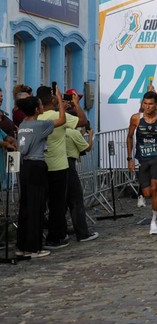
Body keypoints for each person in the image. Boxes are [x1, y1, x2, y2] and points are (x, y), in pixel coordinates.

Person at [37, 85, 87, 249]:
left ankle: (42, 236)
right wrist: (76, 104)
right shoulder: (57, 116)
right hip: (58, 165)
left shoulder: (36, 117)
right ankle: (56, 237)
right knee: (57, 205)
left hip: (41, 165)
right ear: (53, 99)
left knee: (43, 204)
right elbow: (82, 121)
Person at [15, 94, 65, 258]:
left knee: (25, 206)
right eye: (40, 105)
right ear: (37, 109)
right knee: (37, 207)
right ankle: (34, 247)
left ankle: (22, 245)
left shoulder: (23, 125)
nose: (42, 106)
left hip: (25, 166)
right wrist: (59, 100)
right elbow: (62, 120)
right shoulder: (40, 124)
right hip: (37, 166)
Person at [127, 91, 157, 235]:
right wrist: (129, 159)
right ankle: (153, 208)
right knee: (147, 193)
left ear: (156, 104)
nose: (148, 107)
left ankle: (154, 221)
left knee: (155, 187)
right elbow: (129, 137)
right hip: (143, 158)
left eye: (151, 104)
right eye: (145, 104)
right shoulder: (136, 118)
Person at [63, 97, 99, 243]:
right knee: (76, 201)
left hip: (56, 166)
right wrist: (90, 136)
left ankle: (61, 232)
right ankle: (82, 233)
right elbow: (87, 148)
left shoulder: (59, 130)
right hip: (69, 166)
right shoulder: (73, 133)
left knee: (61, 202)